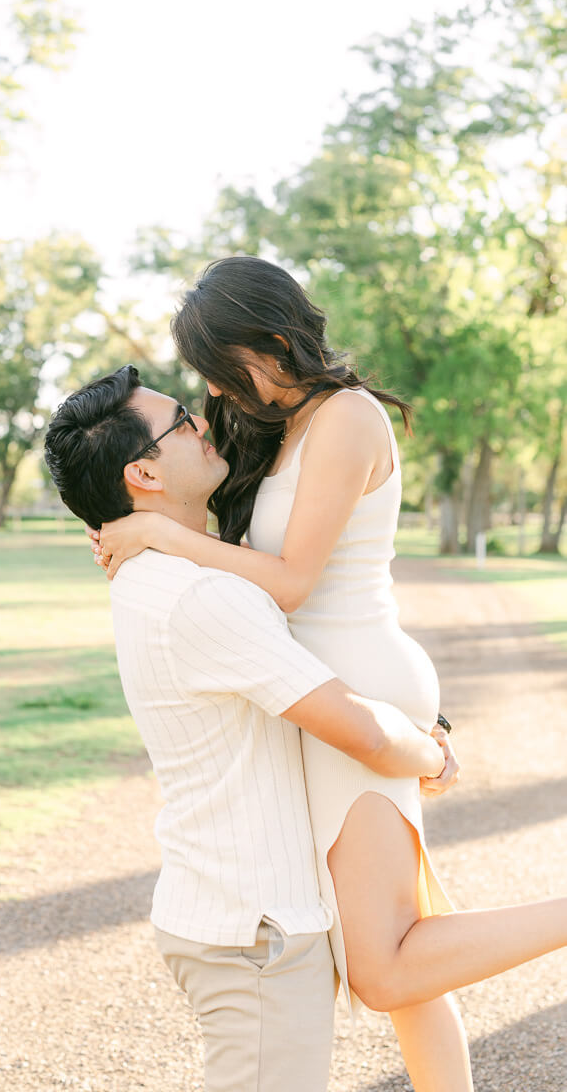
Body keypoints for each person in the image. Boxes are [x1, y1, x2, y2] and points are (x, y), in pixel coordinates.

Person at [89, 257, 567, 1092]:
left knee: (382, 968)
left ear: (272, 343)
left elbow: (293, 581)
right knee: (404, 955)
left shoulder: (346, 417)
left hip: (359, 681)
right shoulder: (282, 426)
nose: (217, 392)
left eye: (223, 370)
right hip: (325, 684)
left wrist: (160, 536)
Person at [44, 364, 459, 1092]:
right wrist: (432, 755)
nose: (204, 421)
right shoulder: (200, 595)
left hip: (235, 915)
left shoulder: (163, 572)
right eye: (183, 422)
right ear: (142, 471)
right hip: (255, 929)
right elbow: (358, 730)